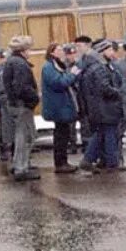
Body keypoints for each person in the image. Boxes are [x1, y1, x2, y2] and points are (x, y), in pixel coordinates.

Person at [78, 39, 126, 171]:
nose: (112, 52)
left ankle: (90, 160)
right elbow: (104, 88)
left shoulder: (97, 65)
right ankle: (111, 162)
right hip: (105, 107)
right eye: (109, 49)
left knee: (101, 134)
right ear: (102, 51)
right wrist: (118, 93)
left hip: (100, 107)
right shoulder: (99, 67)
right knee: (109, 133)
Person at [2, 35, 41, 181]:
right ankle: (21, 168)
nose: (30, 52)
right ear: (24, 50)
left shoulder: (11, 61)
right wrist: (35, 98)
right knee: (25, 137)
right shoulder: (20, 64)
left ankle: (18, 165)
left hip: (15, 104)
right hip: (22, 105)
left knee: (22, 136)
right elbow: (22, 87)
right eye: (29, 49)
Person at [40, 44, 81, 173]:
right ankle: (60, 163)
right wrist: (72, 75)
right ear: (52, 53)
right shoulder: (48, 67)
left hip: (62, 105)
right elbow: (59, 83)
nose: (62, 52)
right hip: (58, 106)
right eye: (59, 50)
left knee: (63, 134)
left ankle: (63, 162)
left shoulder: (57, 65)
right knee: (61, 135)